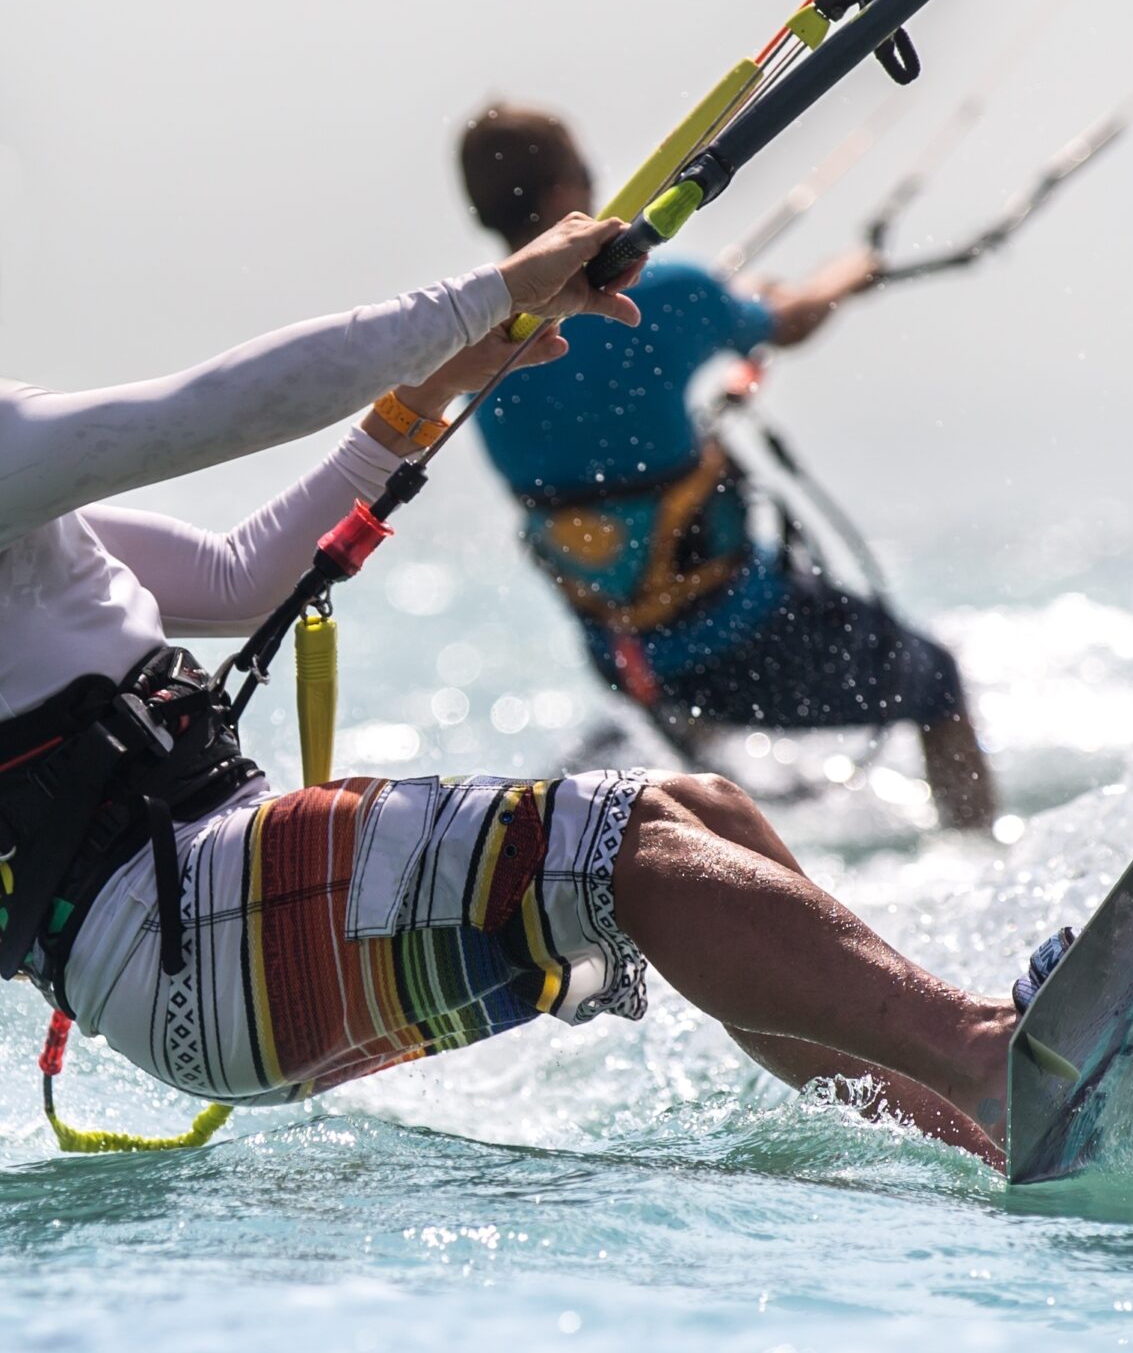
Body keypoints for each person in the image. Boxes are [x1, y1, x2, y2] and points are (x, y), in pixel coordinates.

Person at [0, 220, 1057, 1163]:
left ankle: (975, 1133)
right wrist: (487, 295)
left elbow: (238, 581)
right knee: (630, 846)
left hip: (185, 955)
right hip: (190, 925)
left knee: (706, 819)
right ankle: (986, 1052)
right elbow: (220, 410)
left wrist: (421, 399)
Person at [455, 103, 997, 829]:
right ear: (561, 196)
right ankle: (977, 861)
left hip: (629, 663)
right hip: (744, 638)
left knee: (699, 747)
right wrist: (849, 271)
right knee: (936, 680)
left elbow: (601, 418)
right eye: (586, 172)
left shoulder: (470, 343)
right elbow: (793, 320)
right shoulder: (666, 296)